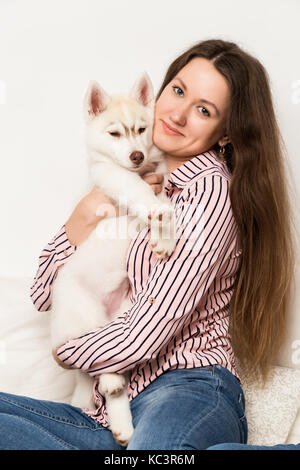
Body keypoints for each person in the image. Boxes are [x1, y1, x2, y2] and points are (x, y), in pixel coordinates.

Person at [0, 39, 295, 450]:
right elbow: (43, 294)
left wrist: (66, 350)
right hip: (111, 412)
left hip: (186, 389)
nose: (177, 113)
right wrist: (83, 216)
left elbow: (145, 333)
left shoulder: (207, 195)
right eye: (177, 90)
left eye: (203, 109)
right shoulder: (140, 183)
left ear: (226, 133)